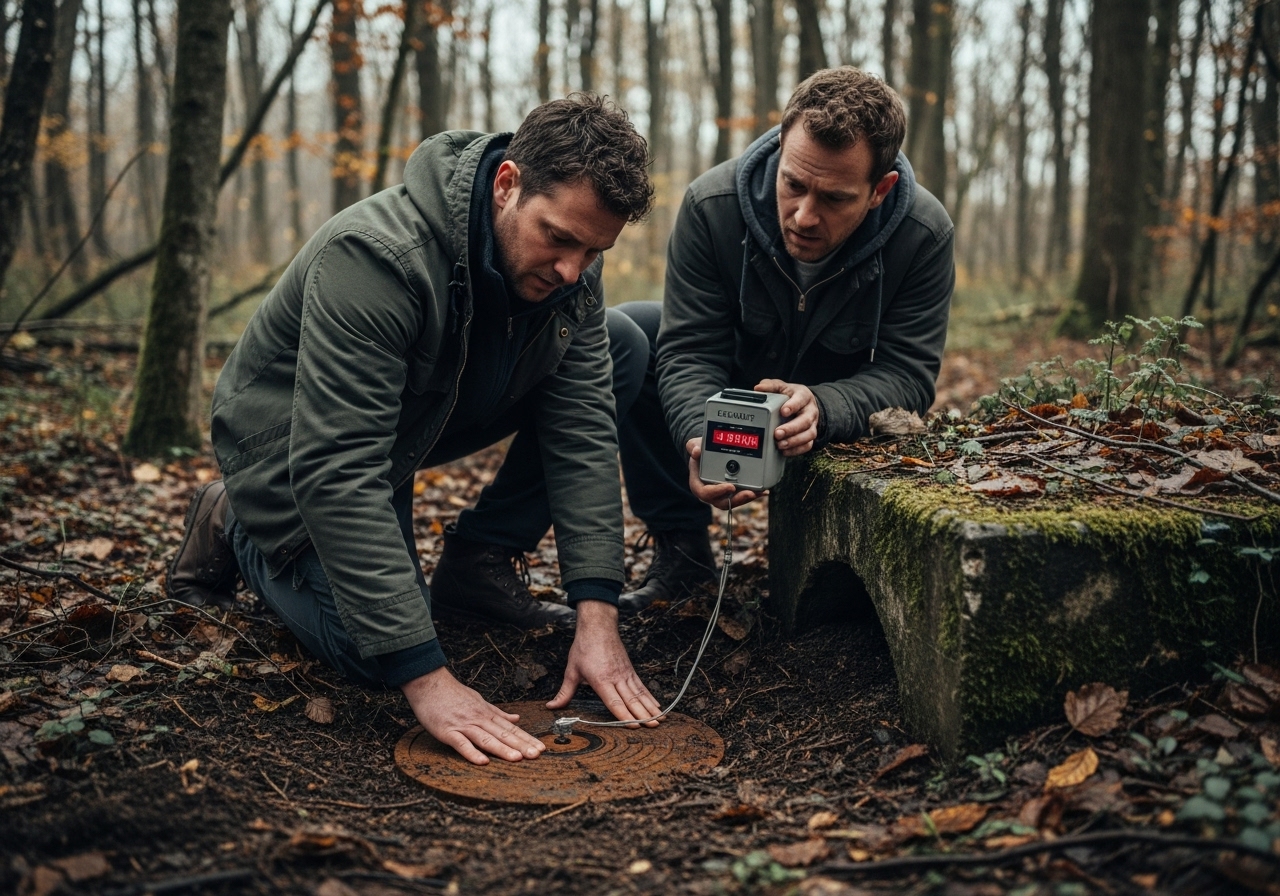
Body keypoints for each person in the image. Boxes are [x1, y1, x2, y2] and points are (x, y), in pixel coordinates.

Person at [166, 94, 663, 766]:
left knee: (624, 346)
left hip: (414, 419)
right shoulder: (374, 258)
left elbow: (581, 430)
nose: (574, 268)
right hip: (294, 443)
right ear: (507, 184)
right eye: (558, 238)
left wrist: (596, 613)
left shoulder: (572, 269)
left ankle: (478, 563)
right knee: (376, 652)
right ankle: (235, 520)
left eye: (593, 248)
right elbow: (339, 469)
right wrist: (428, 679)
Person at [614, 66, 956, 610]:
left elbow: (909, 374)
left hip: (835, 403)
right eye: (793, 184)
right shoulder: (712, 206)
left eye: (835, 198)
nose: (803, 216)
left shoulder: (923, 234)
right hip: (732, 382)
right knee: (637, 327)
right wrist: (702, 439)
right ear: (779, 150)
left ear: (879, 190)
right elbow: (688, 349)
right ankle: (682, 547)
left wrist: (824, 405)